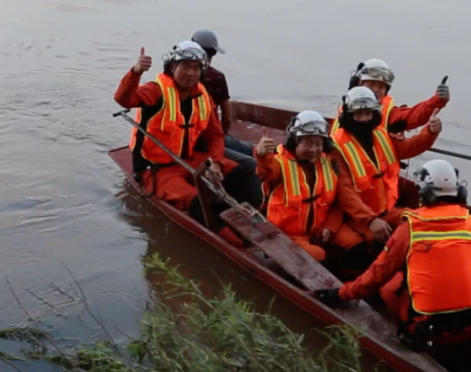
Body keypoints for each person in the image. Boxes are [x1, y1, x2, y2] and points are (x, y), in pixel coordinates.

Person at [313, 159, 471, 350]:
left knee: (387, 285)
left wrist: (342, 293)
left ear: (424, 193)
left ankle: (397, 330)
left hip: (429, 332)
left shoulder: (410, 228)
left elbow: (377, 275)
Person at [114, 42, 264, 228]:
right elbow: (124, 99)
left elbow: (215, 136)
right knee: (198, 201)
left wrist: (216, 163)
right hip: (156, 169)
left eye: (196, 68)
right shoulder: (156, 90)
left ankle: (253, 218)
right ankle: (234, 240)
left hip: (190, 160)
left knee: (246, 172)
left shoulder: (203, 97)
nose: (191, 73)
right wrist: (135, 72)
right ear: (173, 67)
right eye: (185, 66)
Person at [254, 110, 372, 262]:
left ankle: (352, 283)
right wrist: (262, 155)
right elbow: (265, 172)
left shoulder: (329, 164)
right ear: (294, 142)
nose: (313, 149)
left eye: (318, 143)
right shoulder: (280, 164)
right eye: (307, 143)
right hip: (287, 235)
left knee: (356, 245)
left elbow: (336, 206)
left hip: (321, 230)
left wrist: (329, 228)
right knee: (318, 255)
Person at [331, 86, 442, 243]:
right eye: (358, 114)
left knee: (420, 222)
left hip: (387, 211)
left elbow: (409, 147)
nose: (364, 119)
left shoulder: (381, 135)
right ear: (348, 116)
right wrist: (370, 220)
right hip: (354, 218)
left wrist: (429, 132)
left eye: (368, 113)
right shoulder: (337, 147)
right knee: (354, 246)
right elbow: (345, 192)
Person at [190, 29, 257, 169]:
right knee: (250, 151)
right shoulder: (216, 77)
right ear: (212, 53)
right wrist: (222, 136)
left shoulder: (175, 75)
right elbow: (226, 114)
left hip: (189, 138)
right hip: (205, 139)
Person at [331, 58, 449, 138]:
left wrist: (436, 101)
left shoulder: (389, 115)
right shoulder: (347, 107)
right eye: (371, 85)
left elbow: (414, 115)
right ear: (358, 84)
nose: (375, 90)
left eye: (381, 87)